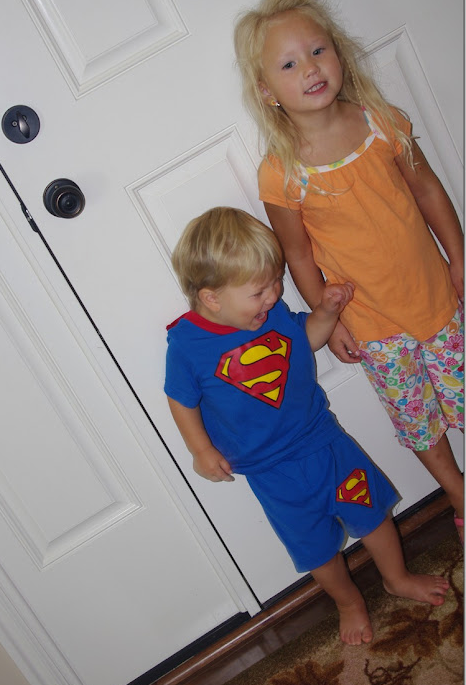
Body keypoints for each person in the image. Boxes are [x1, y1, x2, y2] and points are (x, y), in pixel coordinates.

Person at [233, 0, 464, 541]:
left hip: (437, 298)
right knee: (419, 421)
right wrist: (326, 316)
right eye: (289, 64)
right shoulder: (281, 173)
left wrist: (459, 257)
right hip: (372, 326)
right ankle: (459, 497)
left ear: (338, 53)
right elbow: (297, 253)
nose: (311, 69)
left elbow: (429, 191)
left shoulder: (382, 122)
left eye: (318, 51)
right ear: (266, 91)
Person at [164, 207, 449, 646]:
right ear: (211, 298)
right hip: (271, 472)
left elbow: (306, 340)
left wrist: (327, 312)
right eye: (259, 291)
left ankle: (397, 577)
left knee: (372, 514)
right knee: (315, 548)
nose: (273, 296)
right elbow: (181, 400)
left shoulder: (272, 314)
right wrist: (200, 450)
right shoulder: (188, 344)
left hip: (325, 442)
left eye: (275, 283)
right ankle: (348, 602)